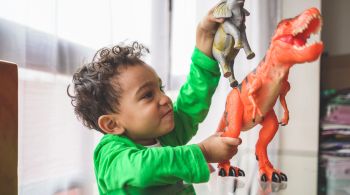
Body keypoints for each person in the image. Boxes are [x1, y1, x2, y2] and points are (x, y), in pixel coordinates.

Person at [67, 4, 241, 194]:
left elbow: (190, 103)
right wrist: (203, 152)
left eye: (161, 88)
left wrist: (204, 44)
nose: (165, 99)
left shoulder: (165, 135)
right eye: (147, 95)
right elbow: (142, 169)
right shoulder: (110, 154)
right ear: (112, 124)